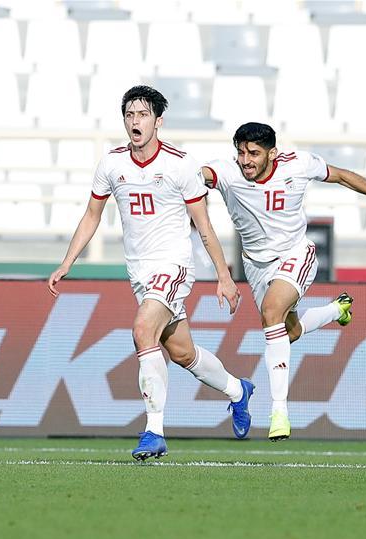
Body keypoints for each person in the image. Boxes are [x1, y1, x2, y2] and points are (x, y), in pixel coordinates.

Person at [48, 86, 255, 461]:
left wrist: (224, 277)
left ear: (158, 121)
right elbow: (92, 214)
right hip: (140, 273)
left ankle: (153, 431)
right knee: (182, 353)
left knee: (143, 330)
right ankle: (239, 391)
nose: (134, 122)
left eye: (142, 115)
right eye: (129, 115)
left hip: (173, 266)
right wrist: (67, 262)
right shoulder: (112, 164)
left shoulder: (180, 164)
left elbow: (204, 225)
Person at [202, 122, 366, 441]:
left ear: (271, 153)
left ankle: (279, 411)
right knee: (285, 331)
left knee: (271, 314)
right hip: (256, 266)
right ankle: (336, 310)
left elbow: (343, 175)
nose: (246, 160)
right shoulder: (227, 172)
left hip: (295, 254)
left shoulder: (297, 165)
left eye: (253, 153)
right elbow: (196, 177)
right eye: (240, 152)